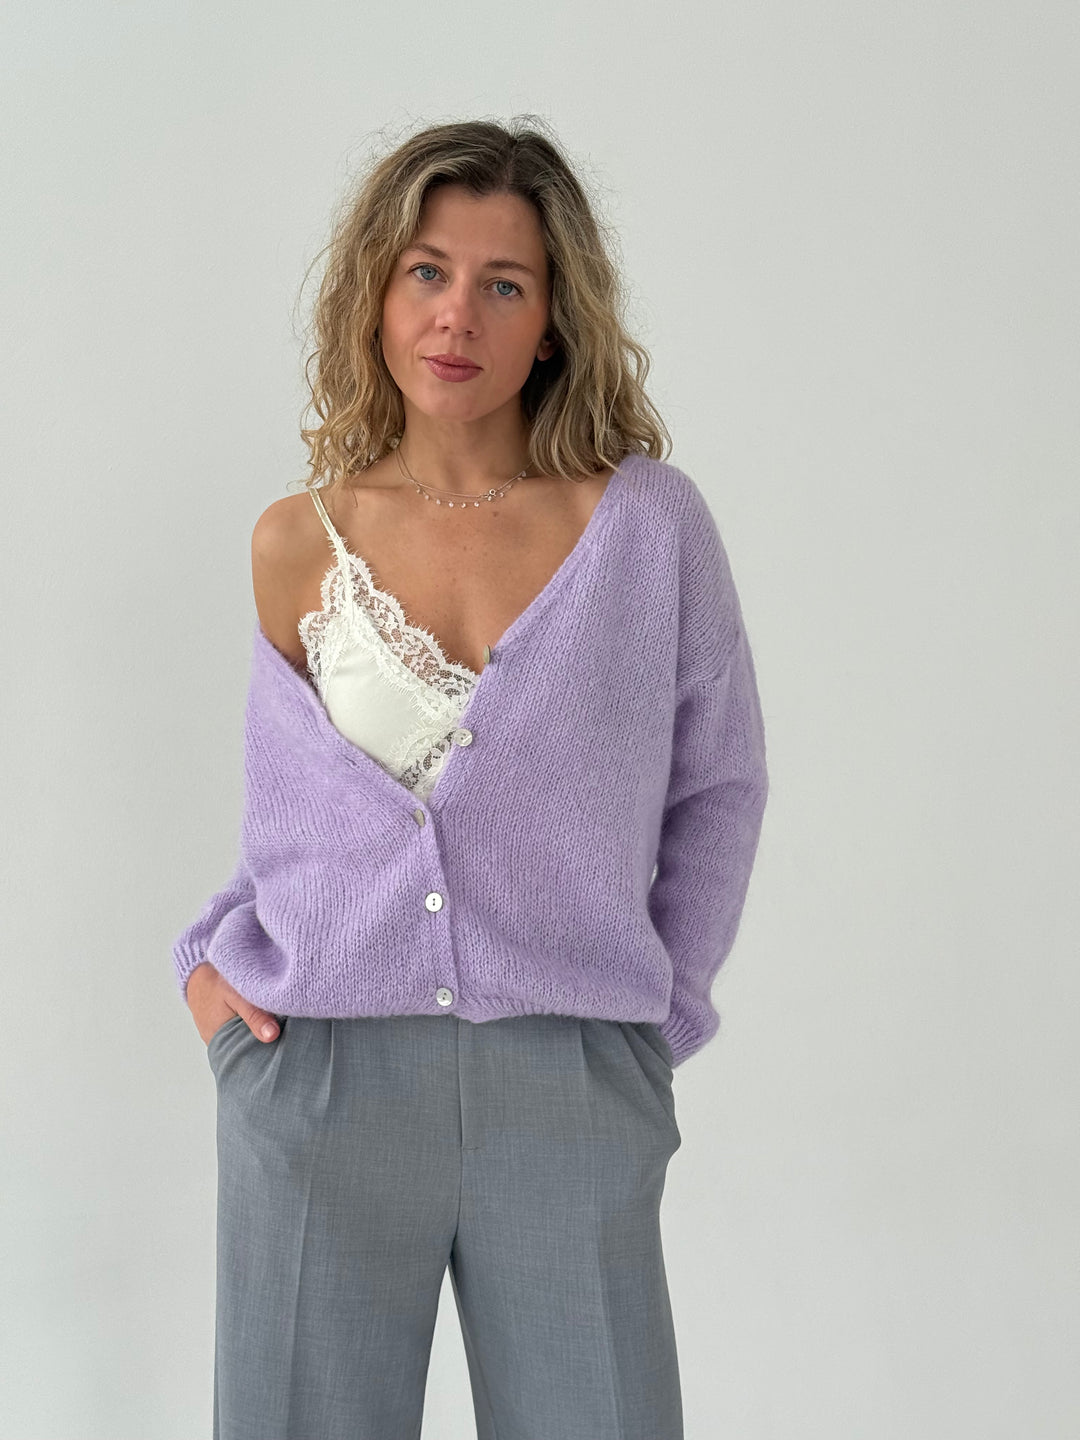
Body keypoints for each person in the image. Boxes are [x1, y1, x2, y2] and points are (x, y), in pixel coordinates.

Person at [173, 115, 769, 1440]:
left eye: (505, 284)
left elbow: (719, 785)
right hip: (322, 1073)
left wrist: (652, 1025)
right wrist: (207, 974)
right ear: (377, 294)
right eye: (428, 272)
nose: (459, 316)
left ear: (553, 322)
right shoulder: (295, 542)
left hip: (569, 1084)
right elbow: (294, 830)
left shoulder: (646, 527)